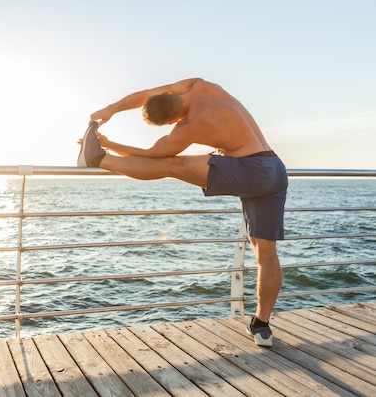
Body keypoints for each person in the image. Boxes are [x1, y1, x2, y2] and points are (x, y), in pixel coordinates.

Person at [77, 78, 288, 346]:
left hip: (250, 170)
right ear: (168, 93)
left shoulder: (189, 126)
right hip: (274, 167)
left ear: (169, 123)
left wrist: (107, 147)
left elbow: (154, 156)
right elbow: (145, 94)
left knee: (173, 166)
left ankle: (97, 159)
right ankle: (261, 326)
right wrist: (111, 110)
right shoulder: (201, 86)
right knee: (266, 255)